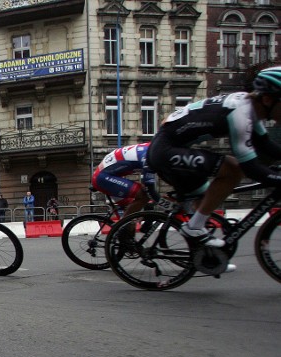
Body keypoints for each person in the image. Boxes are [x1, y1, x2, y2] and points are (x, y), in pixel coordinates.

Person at [147, 65, 281, 247]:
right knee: (233, 169)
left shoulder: (248, 108)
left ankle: (206, 256)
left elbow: (267, 146)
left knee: (205, 199)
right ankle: (194, 228)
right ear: (267, 99)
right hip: (165, 151)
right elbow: (249, 166)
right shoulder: (241, 113)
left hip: (171, 147)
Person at [91, 142, 155, 218]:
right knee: (144, 195)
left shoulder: (151, 147)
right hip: (103, 177)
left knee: (132, 212)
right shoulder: (149, 154)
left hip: (105, 174)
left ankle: (125, 227)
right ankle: (123, 227)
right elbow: (149, 187)